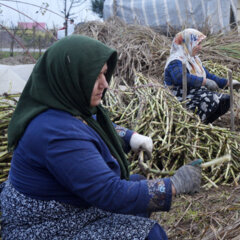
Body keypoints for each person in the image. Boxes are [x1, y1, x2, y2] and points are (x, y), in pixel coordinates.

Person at [0, 35, 202, 239]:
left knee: (137, 182)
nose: (105, 84)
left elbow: (94, 124)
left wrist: (130, 137)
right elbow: (110, 193)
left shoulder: (65, 106)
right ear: (71, 77)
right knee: (150, 234)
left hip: (68, 206)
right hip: (46, 225)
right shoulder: (55, 133)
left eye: (104, 74)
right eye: (95, 76)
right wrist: (175, 185)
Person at [164, 28, 240, 124]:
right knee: (211, 99)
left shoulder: (193, 59)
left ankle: (205, 123)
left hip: (194, 93)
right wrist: (204, 82)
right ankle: (193, 122)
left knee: (226, 100)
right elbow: (180, 78)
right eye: (198, 44)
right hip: (179, 97)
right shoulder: (175, 60)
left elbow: (207, 75)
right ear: (188, 42)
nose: (200, 47)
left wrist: (227, 83)